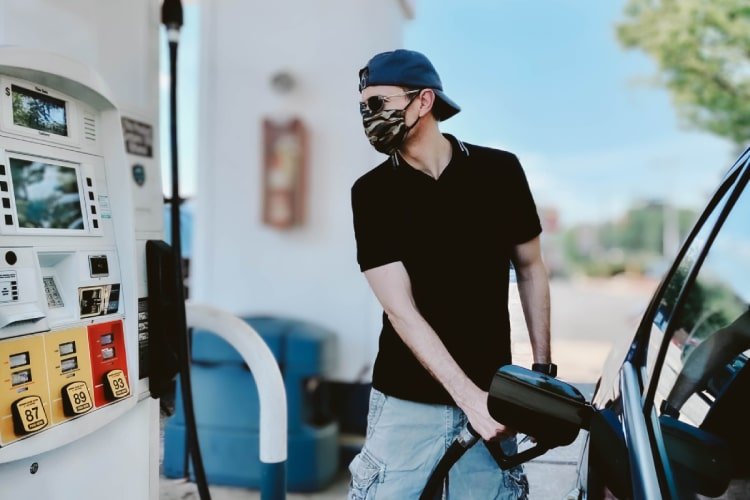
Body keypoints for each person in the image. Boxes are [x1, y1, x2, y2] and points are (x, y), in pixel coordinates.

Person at [348, 49, 553, 499]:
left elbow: (532, 268)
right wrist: (467, 398)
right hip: (405, 402)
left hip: (493, 396)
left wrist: (542, 372)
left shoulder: (499, 172)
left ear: (423, 100)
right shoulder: (372, 194)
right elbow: (401, 311)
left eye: (379, 103)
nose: (369, 116)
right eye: (364, 107)